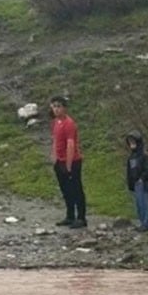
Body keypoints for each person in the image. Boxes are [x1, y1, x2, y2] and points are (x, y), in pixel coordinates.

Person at [50, 96, 86, 228]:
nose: (56, 109)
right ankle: (70, 215)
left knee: (76, 189)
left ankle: (81, 217)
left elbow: (71, 144)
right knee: (65, 190)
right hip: (59, 161)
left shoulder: (69, 124)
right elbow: (55, 140)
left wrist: (69, 165)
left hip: (72, 161)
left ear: (64, 108)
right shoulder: (56, 122)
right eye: (54, 106)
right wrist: (54, 157)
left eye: (59, 106)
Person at [124, 131, 148, 232]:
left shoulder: (144, 156)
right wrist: (130, 184)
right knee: (138, 204)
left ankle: (147, 223)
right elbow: (129, 172)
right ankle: (142, 223)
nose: (132, 144)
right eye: (130, 142)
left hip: (143, 183)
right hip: (136, 184)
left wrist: (142, 179)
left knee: (144, 203)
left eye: (133, 141)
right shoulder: (131, 157)